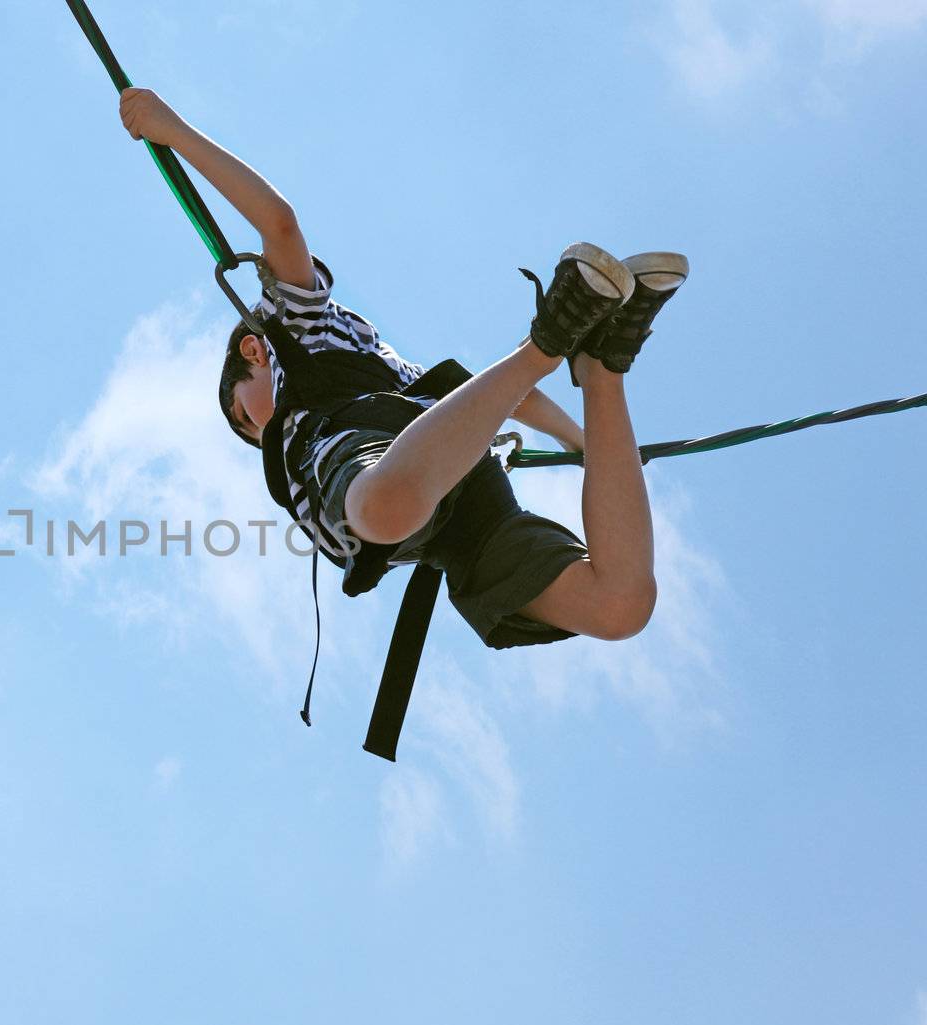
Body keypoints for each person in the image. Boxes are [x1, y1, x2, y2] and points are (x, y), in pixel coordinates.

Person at [119, 86, 688, 649]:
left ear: (251, 354)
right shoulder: (391, 367)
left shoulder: (289, 330)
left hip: (375, 463)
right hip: (456, 502)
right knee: (620, 608)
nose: (257, 433)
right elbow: (492, 398)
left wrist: (169, 128)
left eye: (246, 416)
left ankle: (546, 348)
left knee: (383, 507)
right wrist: (586, 443)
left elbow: (280, 224)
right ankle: (601, 369)